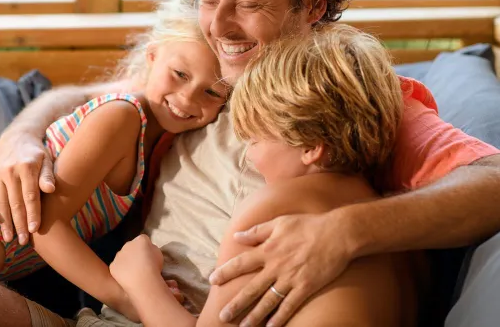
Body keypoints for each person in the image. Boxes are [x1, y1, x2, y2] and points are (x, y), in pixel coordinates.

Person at [0, 0, 499, 327]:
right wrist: (21, 136)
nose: (217, 25)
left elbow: (492, 181)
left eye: (247, 4)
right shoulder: (195, 84)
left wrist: (343, 233)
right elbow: (89, 97)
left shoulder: (347, 102)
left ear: (312, 3)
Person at [0, 0, 227, 323]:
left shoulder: (154, 139)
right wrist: (123, 296)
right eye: (180, 75)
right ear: (153, 56)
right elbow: (46, 225)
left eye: (212, 91)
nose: (188, 98)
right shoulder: (122, 117)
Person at [109, 24, 421, 326]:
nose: (253, 157)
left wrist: (142, 281)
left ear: (311, 146)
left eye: (254, 140)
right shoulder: (394, 234)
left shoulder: (275, 207)